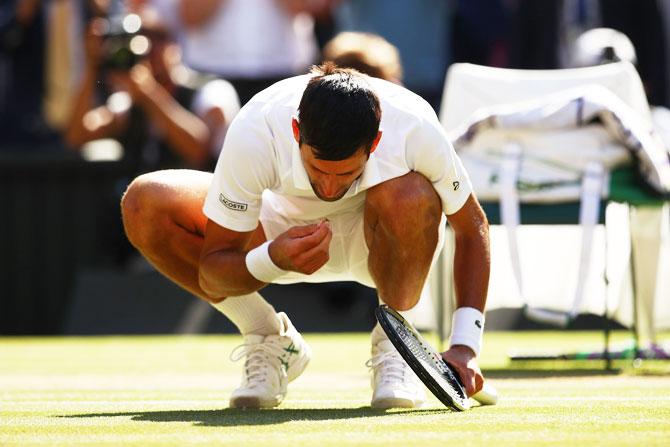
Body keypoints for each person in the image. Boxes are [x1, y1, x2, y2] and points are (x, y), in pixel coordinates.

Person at [121, 63, 490, 409]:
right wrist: (271, 259)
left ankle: (395, 349)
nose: (329, 188)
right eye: (318, 169)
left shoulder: (415, 126)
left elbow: (472, 227)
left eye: (345, 173)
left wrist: (465, 347)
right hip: (277, 234)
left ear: (374, 143)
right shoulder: (256, 128)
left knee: (412, 194)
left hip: (382, 240)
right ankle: (267, 337)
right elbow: (212, 272)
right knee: (144, 203)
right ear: (297, 132)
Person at [65, 8, 240, 172]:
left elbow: (199, 151)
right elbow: (77, 136)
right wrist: (92, 66)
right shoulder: (128, 100)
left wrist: (150, 94)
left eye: (156, 39)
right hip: (144, 201)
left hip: (200, 201)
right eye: (139, 40)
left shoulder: (212, 91)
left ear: (174, 46)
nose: (148, 50)